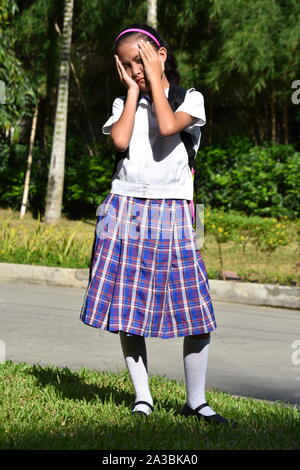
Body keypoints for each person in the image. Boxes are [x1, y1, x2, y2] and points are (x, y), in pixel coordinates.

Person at [80, 23, 232, 426]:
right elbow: (120, 141)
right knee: (127, 309)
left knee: (194, 308)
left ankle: (196, 401)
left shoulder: (190, 100)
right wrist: (132, 91)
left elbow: (167, 126)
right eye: (128, 65)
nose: (136, 70)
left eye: (142, 60)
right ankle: (142, 396)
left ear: (162, 55)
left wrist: (155, 86)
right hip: (125, 209)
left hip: (173, 211)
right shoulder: (123, 103)